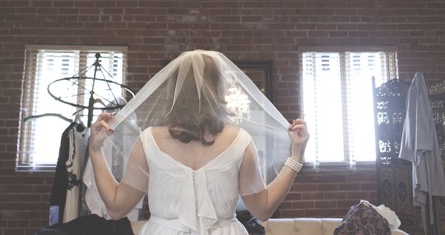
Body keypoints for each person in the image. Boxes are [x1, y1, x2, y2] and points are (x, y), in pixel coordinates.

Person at [86, 50, 309, 235]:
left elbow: (116, 208)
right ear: (219, 89)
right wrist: (296, 156)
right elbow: (263, 209)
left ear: (174, 91)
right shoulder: (240, 141)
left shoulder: (149, 141)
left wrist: (96, 150)